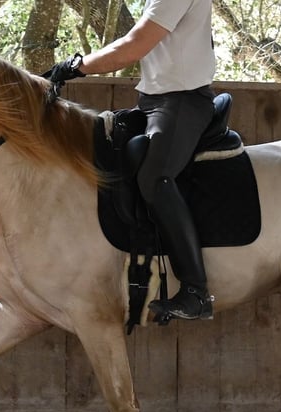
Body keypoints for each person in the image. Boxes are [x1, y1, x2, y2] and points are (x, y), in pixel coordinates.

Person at [45, 0, 216, 321]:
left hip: (182, 102)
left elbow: (134, 45)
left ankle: (196, 291)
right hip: (154, 101)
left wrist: (76, 66)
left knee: (155, 177)